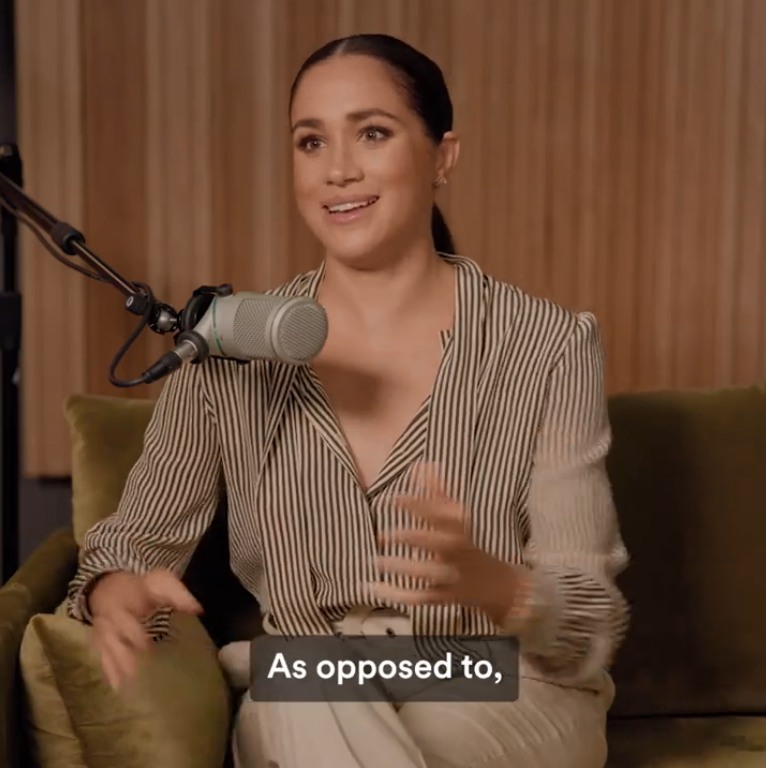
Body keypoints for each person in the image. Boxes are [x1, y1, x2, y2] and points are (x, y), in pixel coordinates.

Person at [66, 32, 630, 768]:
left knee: (396, 723)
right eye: (311, 142)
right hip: (314, 679)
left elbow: (590, 627)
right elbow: (133, 541)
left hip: (496, 676)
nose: (337, 170)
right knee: (305, 683)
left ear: (443, 156)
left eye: (372, 133)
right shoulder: (229, 344)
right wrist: (113, 588)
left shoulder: (549, 345)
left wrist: (499, 588)